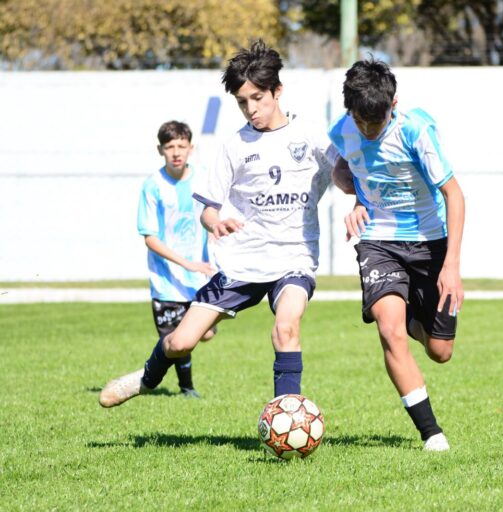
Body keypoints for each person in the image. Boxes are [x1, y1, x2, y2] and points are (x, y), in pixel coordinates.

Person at [99, 40, 333, 408]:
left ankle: (288, 417)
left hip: (294, 259)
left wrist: (360, 198)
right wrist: (216, 223)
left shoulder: (313, 137)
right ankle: (144, 380)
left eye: (258, 98)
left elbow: (348, 177)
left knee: (286, 328)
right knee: (180, 342)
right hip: (241, 263)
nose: (251, 109)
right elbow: (208, 209)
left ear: (278, 91)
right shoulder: (234, 146)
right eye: (243, 102)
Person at [328, 58, 466, 451]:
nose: (369, 131)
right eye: (361, 121)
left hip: (430, 241)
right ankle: (431, 433)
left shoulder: (415, 131)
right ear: (349, 111)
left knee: (441, 351)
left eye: (378, 121)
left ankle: (409, 316)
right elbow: (343, 169)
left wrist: (452, 266)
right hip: (378, 241)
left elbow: (454, 195)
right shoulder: (342, 131)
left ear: (394, 104)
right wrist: (356, 198)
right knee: (389, 330)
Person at [136, 120, 217, 399]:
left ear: (191, 148)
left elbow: (214, 216)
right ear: (161, 150)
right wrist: (186, 263)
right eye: (170, 147)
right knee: (176, 339)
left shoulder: (203, 178)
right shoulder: (153, 186)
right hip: (166, 279)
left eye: (181, 146)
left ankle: (176, 383)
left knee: (205, 334)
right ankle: (186, 388)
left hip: (201, 276)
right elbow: (150, 237)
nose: (176, 152)